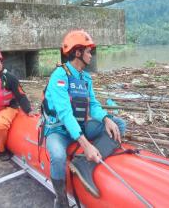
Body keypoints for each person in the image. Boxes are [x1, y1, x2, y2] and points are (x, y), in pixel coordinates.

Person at [42, 30, 127, 207]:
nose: (91, 55)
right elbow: (65, 113)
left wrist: (105, 119)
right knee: (57, 156)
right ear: (78, 52)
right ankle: (61, 199)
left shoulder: (85, 78)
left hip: (81, 124)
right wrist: (85, 144)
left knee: (118, 124)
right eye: (88, 51)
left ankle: (84, 165)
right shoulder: (60, 76)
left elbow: (93, 105)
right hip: (59, 130)